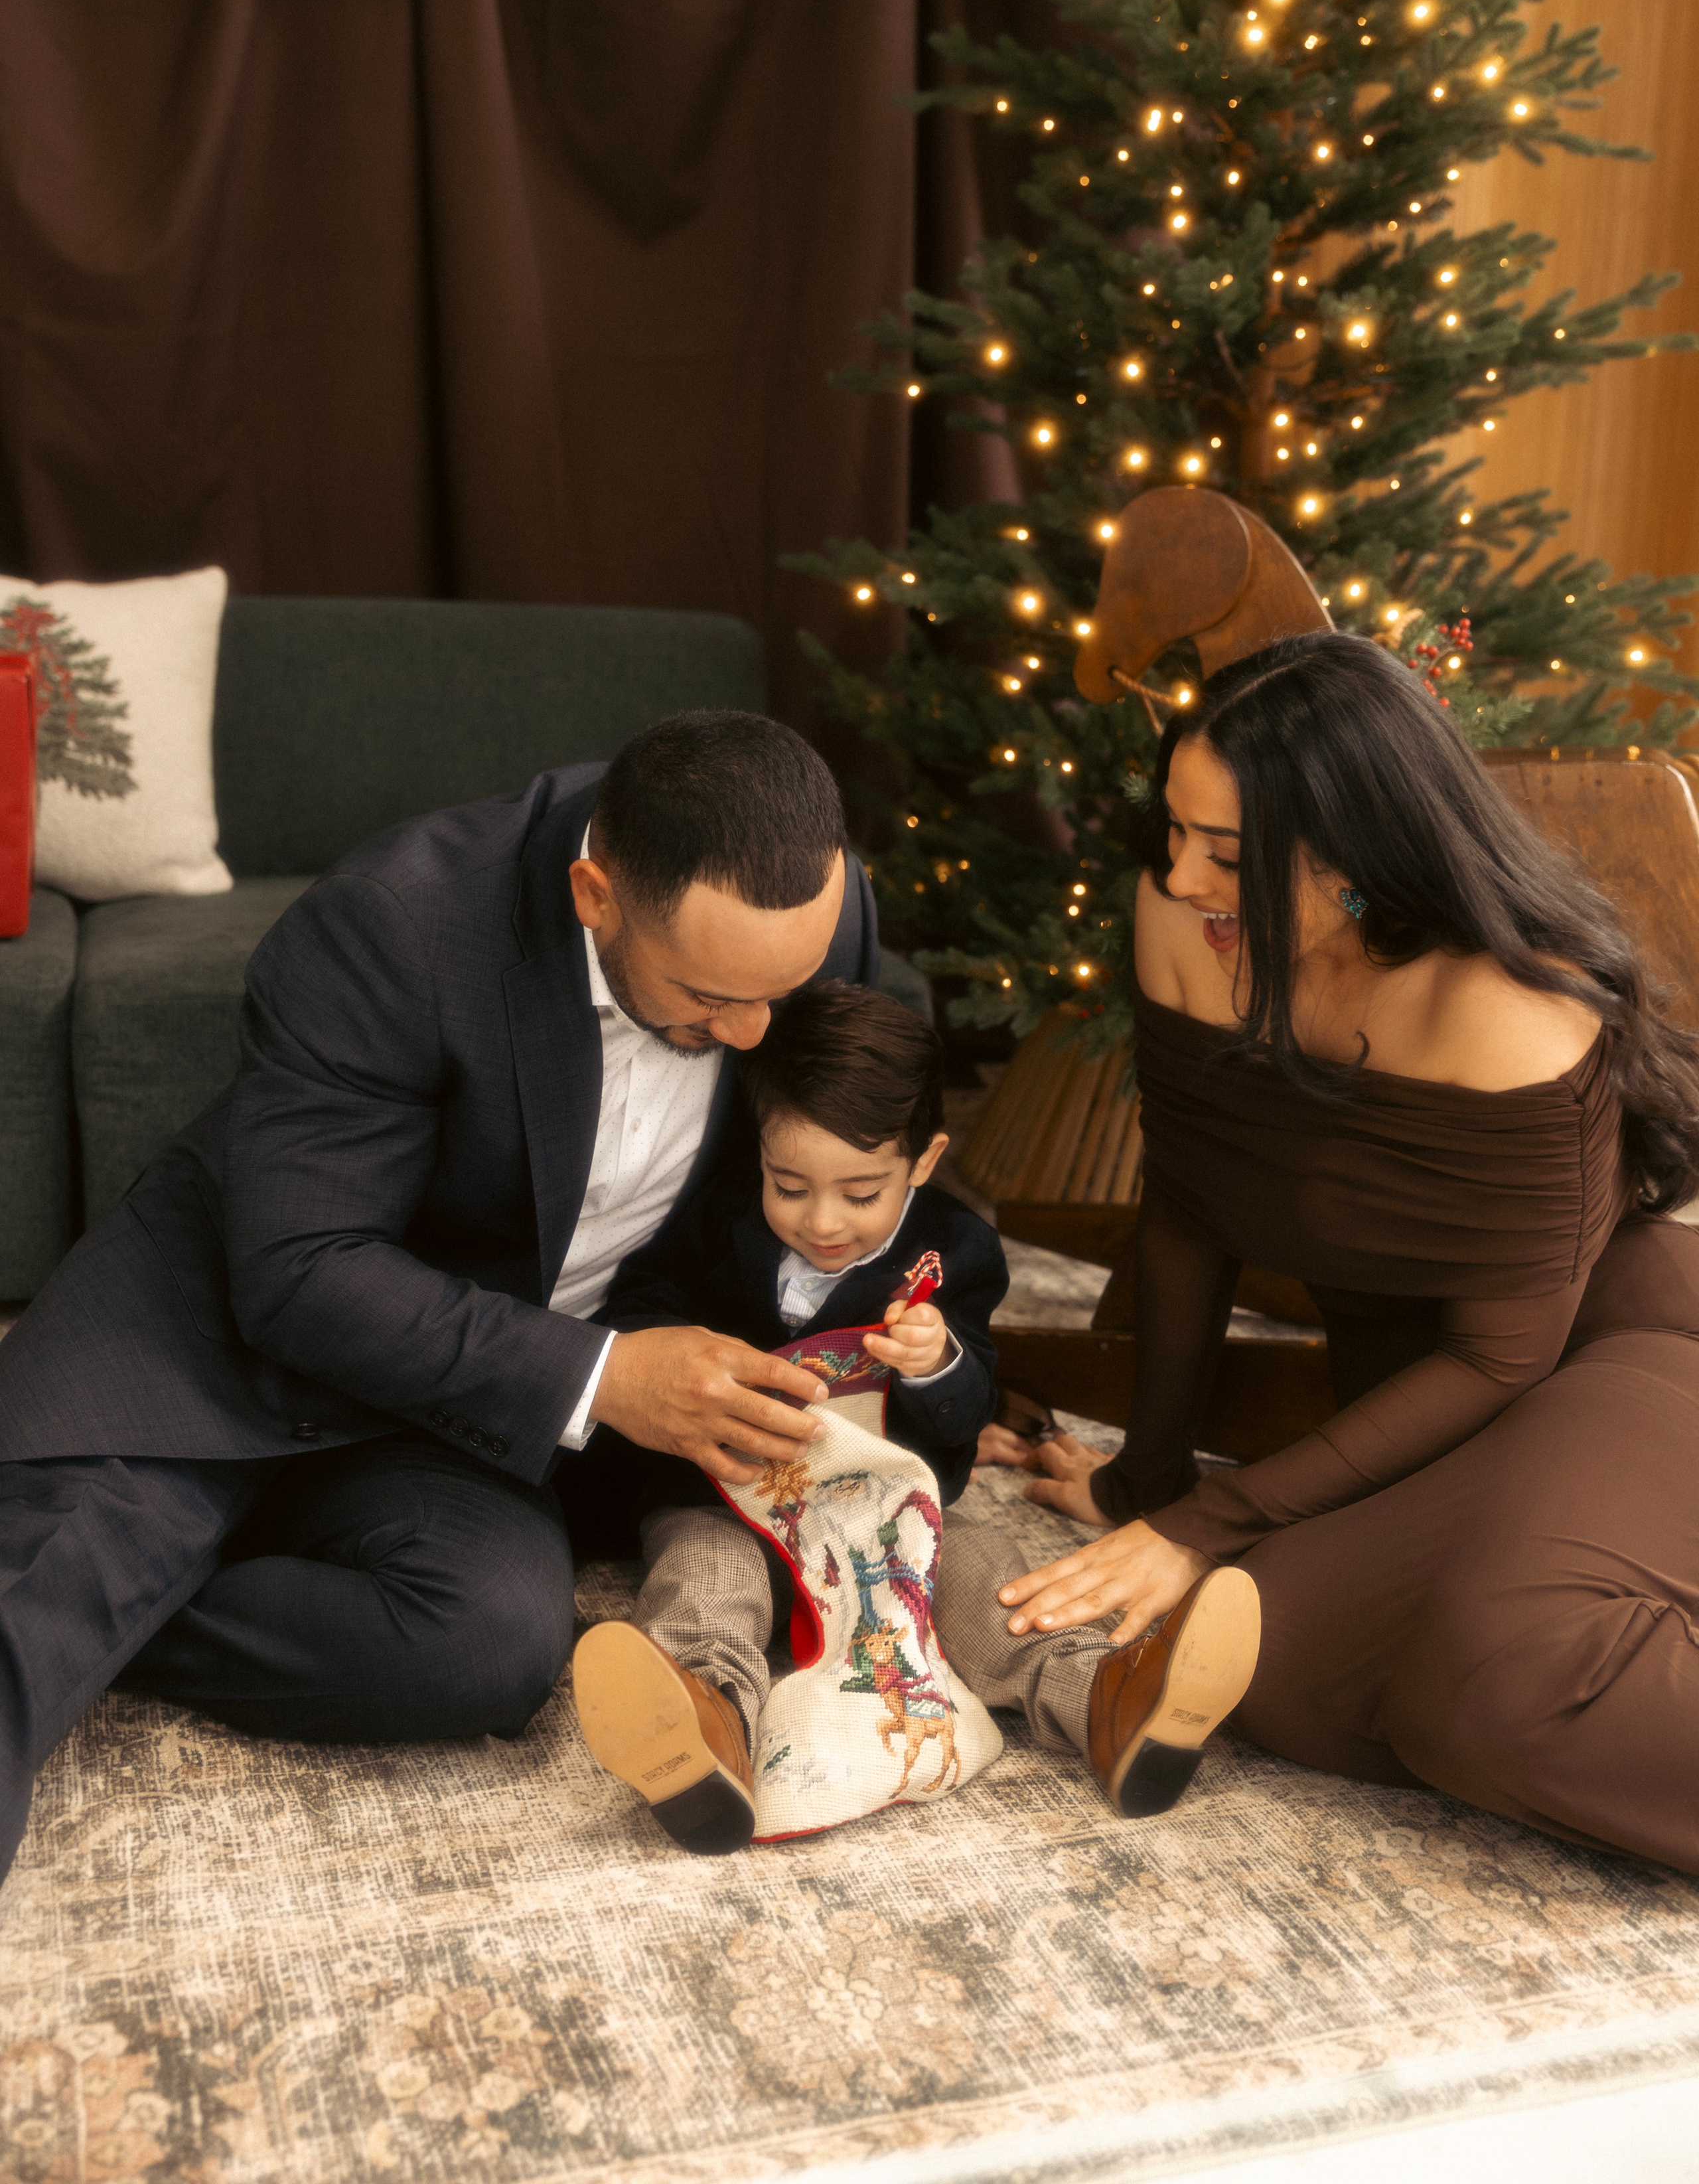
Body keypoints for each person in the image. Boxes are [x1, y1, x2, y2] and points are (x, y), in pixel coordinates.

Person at [0, 708, 880, 1885]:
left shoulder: (808, 921)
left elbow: (836, 1160)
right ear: (594, 895)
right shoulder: (394, 926)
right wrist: (608, 1376)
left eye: (785, 989)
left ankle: (149, 1590)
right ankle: (108, 1567)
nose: (758, 1031)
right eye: (712, 997)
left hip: (462, 1395)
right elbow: (299, 1272)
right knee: (31, 1617)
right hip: (213, 1351)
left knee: (493, 1646)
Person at [937, 633, 1699, 1869]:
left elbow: (1502, 1360)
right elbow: (1191, 1209)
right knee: (1268, 1672)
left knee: (1505, 1680)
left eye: (1226, 854)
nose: (1182, 879)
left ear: (1357, 856)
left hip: (1620, 1365)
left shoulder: (1508, 1003)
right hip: (1443, 1418)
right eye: (1173, 833)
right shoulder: (1189, 922)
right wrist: (1155, 1485)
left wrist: (1215, 1517)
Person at [572, 980, 1005, 1853]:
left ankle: (1105, 1693)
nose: (823, 1220)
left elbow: (970, 1411)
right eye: (790, 1185)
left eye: (860, 1192)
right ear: (759, 1153)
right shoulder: (717, 1218)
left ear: (922, 1163)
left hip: (882, 1514)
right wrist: (679, 1352)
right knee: (703, 1584)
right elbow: (645, 1306)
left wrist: (940, 1364)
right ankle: (706, 1731)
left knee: (990, 1582)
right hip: (725, 1499)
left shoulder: (950, 1251)